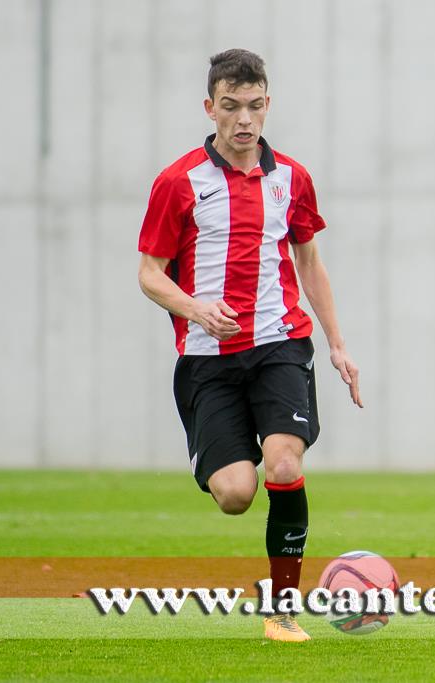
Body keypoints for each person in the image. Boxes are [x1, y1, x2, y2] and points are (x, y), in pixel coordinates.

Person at [137, 49, 362, 642]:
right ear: (210, 107)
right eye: (231, 107)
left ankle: (282, 611)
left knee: (285, 462)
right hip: (208, 360)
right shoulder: (177, 181)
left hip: (280, 345)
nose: (244, 119)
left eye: (255, 106)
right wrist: (194, 308)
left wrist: (338, 345)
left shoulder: (292, 177)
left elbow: (310, 262)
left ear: (268, 106)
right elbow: (150, 273)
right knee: (236, 494)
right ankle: (213, 460)